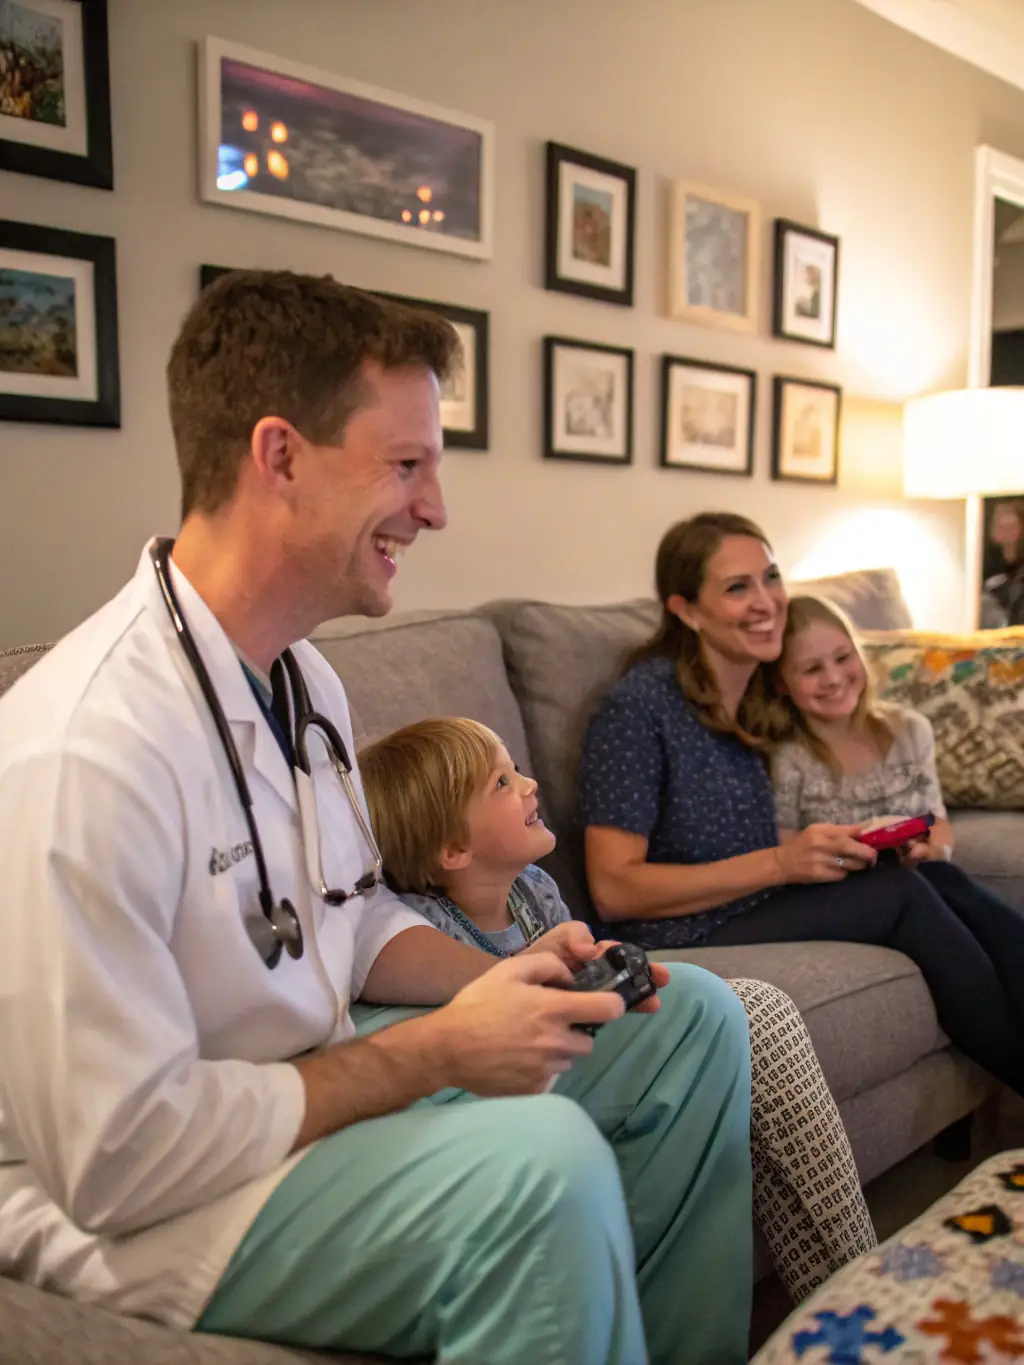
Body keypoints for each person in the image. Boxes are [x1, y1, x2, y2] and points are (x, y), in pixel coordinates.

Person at [0, 272, 756, 1365]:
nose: (436, 509)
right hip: (137, 1197)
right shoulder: (86, 749)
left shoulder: (303, 681)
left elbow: (345, 922)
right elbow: (114, 1157)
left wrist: (509, 975)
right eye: (405, 466)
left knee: (688, 1020)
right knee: (539, 1168)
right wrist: (434, 1055)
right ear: (280, 457)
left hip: (292, 1078)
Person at [359, 715, 876, 1303]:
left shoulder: (535, 890)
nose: (529, 784)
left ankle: (850, 1295)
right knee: (756, 1015)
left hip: (570, 1054)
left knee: (745, 1022)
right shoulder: (421, 929)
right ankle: (854, 1302)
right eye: (501, 784)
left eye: (517, 770)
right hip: (502, 1086)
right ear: (452, 849)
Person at [577, 511, 1024, 1098]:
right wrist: (782, 863)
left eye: (771, 577)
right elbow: (614, 889)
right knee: (902, 896)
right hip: (683, 928)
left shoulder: (757, 688)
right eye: (738, 588)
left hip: (758, 895)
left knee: (938, 876)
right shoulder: (640, 710)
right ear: (685, 610)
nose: (766, 601)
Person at [770, 592, 1024, 1025]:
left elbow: (934, 821)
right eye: (812, 669)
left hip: (916, 871)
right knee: (934, 890)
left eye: (842, 658)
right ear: (781, 683)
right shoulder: (789, 756)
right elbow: (783, 844)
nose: (833, 678)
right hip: (839, 888)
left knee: (946, 880)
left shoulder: (907, 729)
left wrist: (931, 849)